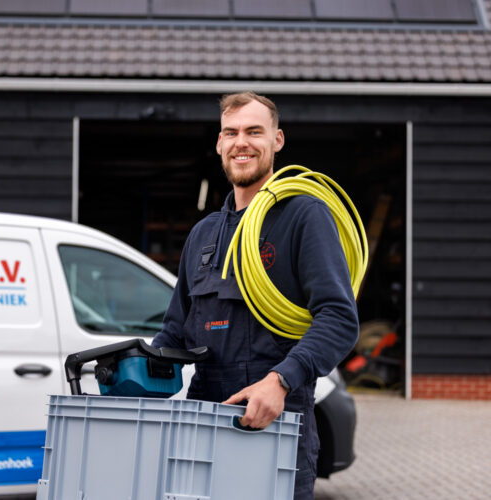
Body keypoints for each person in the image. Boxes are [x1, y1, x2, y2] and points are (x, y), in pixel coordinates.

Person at [152, 91, 359, 499]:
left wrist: (280, 381)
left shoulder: (303, 216)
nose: (241, 142)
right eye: (231, 133)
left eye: (253, 131)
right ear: (219, 143)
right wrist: (136, 370)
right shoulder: (204, 234)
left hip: (275, 421)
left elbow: (338, 317)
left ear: (276, 140)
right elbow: (175, 332)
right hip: (204, 420)